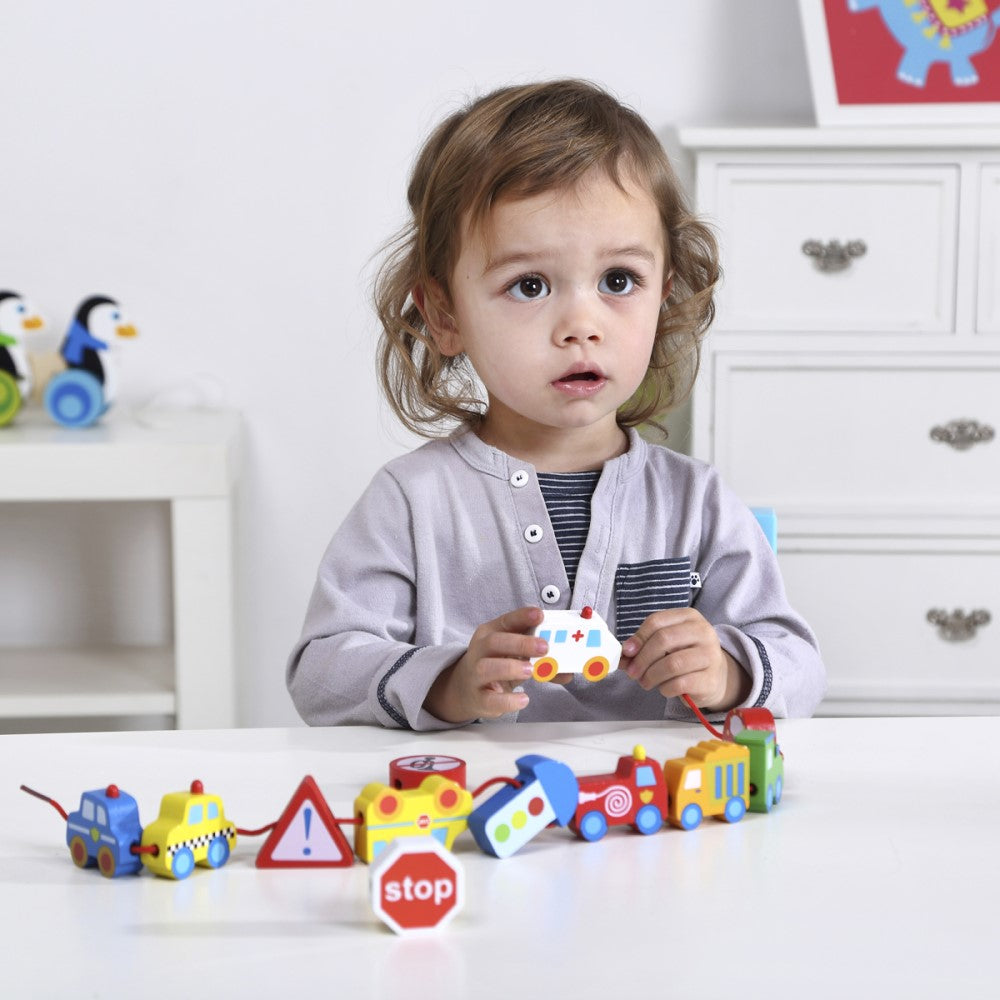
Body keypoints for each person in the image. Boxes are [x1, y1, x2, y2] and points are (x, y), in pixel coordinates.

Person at [287, 79, 825, 730]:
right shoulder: (411, 502)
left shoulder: (699, 503)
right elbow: (321, 672)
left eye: (619, 281)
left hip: (663, 821)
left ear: (665, 296)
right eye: (530, 284)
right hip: (471, 815)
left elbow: (800, 665)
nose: (581, 324)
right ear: (445, 314)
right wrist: (445, 683)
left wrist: (728, 670)